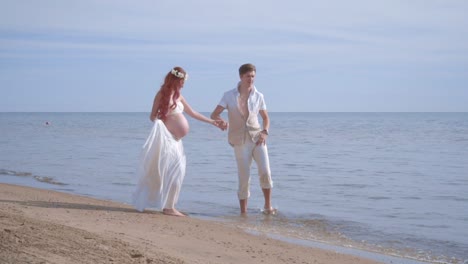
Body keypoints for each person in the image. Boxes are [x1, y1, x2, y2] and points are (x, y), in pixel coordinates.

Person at [133, 66, 223, 217]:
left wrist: (212, 122)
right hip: (167, 140)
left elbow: (192, 113)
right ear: (175, 79)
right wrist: (163, 126)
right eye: (182, 81)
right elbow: (152, 116)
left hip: (176, 141)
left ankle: (170, 206)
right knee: (171, 171)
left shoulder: (179, 96)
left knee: (178, 171)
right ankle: (168, 208)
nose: (183, 84)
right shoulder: (161, 94)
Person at [211, 63, 275, 215]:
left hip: (257, 138)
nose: (251, 79)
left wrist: (265, 132)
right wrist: (222, 122)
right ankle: (243, 212)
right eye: (248, 76)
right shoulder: (229, 95)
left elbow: (265, 118)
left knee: (265, 172)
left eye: (253, 76)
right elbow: (214, 115)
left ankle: (268, 207)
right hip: (239, 141)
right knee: (244, 176)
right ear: (241, 77)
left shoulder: (259, 96)